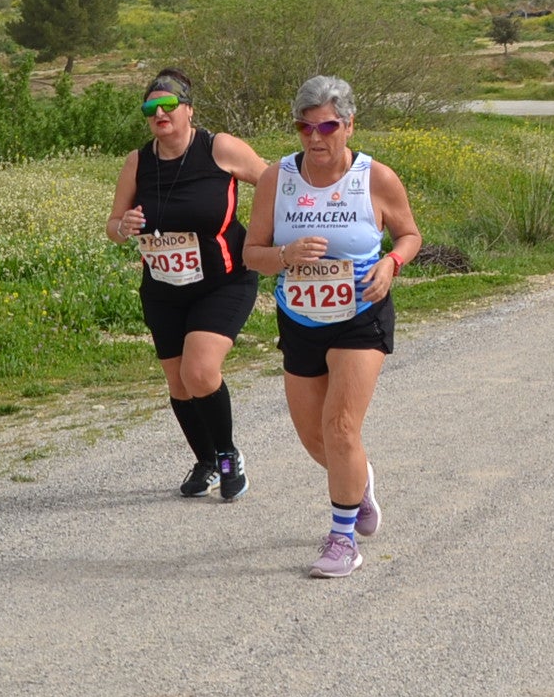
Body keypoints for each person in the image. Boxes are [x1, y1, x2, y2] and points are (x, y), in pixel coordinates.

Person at [244, 75, 422, 579]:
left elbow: (409, 233)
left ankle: (342, 538)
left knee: (341, 426)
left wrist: (392, 263)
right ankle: (358, 484)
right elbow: (251, 254)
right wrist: (284, 255)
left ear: (348, 125)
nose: (315, 137)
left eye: (326, 126)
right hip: (300, 318)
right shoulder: (277, 180)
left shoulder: (376, 178)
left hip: (361, 315)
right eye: (304, 127)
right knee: (314, 437)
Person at [105, 70, 274, 500]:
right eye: (150, 108)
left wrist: (265, 236)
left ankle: (228, 456)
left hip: (225, 280)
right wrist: (123, 226)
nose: (159, 114)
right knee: (179, 384)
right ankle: (205, 460)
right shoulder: (137, 161)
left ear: (188, 110)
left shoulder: (219, 148)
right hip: (163, 288)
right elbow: (113, 224)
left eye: (168, 106)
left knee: (199, 371)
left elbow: (272, 181)